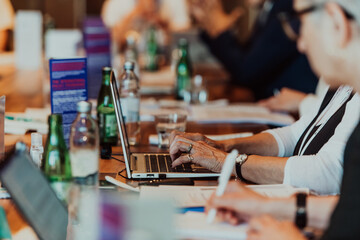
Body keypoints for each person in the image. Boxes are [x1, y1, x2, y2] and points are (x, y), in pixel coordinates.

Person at [207, 0, 360, 239]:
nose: (300, 44)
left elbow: (330, 174)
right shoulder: (343, 84)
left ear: (337, 22)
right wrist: (265, 208)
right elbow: (351, 211)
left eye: (301, 24)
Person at [189, 0, 318, 100]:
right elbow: (248, 56)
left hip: (292, 115)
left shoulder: (287, 8)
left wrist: (221, 30)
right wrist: (212, 25)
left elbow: (246, 71)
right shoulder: (270, 7)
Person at [101, 0, 190, 49]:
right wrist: (138, 11)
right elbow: (114, 39)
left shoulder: (175, 2)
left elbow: (185, 37)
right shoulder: (115, 4)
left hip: (166, 68)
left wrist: (162, 21)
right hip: (127, 66)